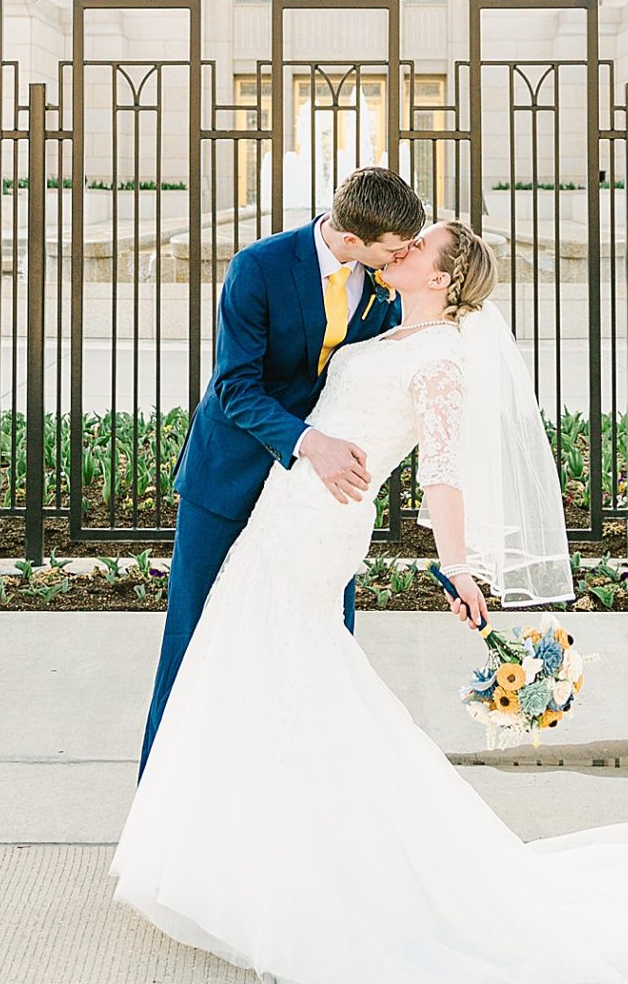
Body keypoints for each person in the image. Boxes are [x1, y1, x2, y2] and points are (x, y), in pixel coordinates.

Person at [114, 218, 628, 984]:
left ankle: (296, 858)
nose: (404, 249)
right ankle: (240, 843)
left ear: (443, 280)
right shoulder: (385, 325)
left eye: (419, 247)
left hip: (319, 526)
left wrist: (458, 567)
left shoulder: (443, 358)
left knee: (294, 666)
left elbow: (444, 473)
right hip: (280, 510)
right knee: (243, 660)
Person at [137, 166, 424, 772]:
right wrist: (307, 442)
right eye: (393, 251)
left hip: (316, 507)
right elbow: (234, 387)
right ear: (352, 240)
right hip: (229, 479)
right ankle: (161, 801)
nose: (401, 259)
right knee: (194, 641)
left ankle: (306, 797)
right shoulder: (258, 268)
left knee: (322, 645)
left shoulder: (384, 286)